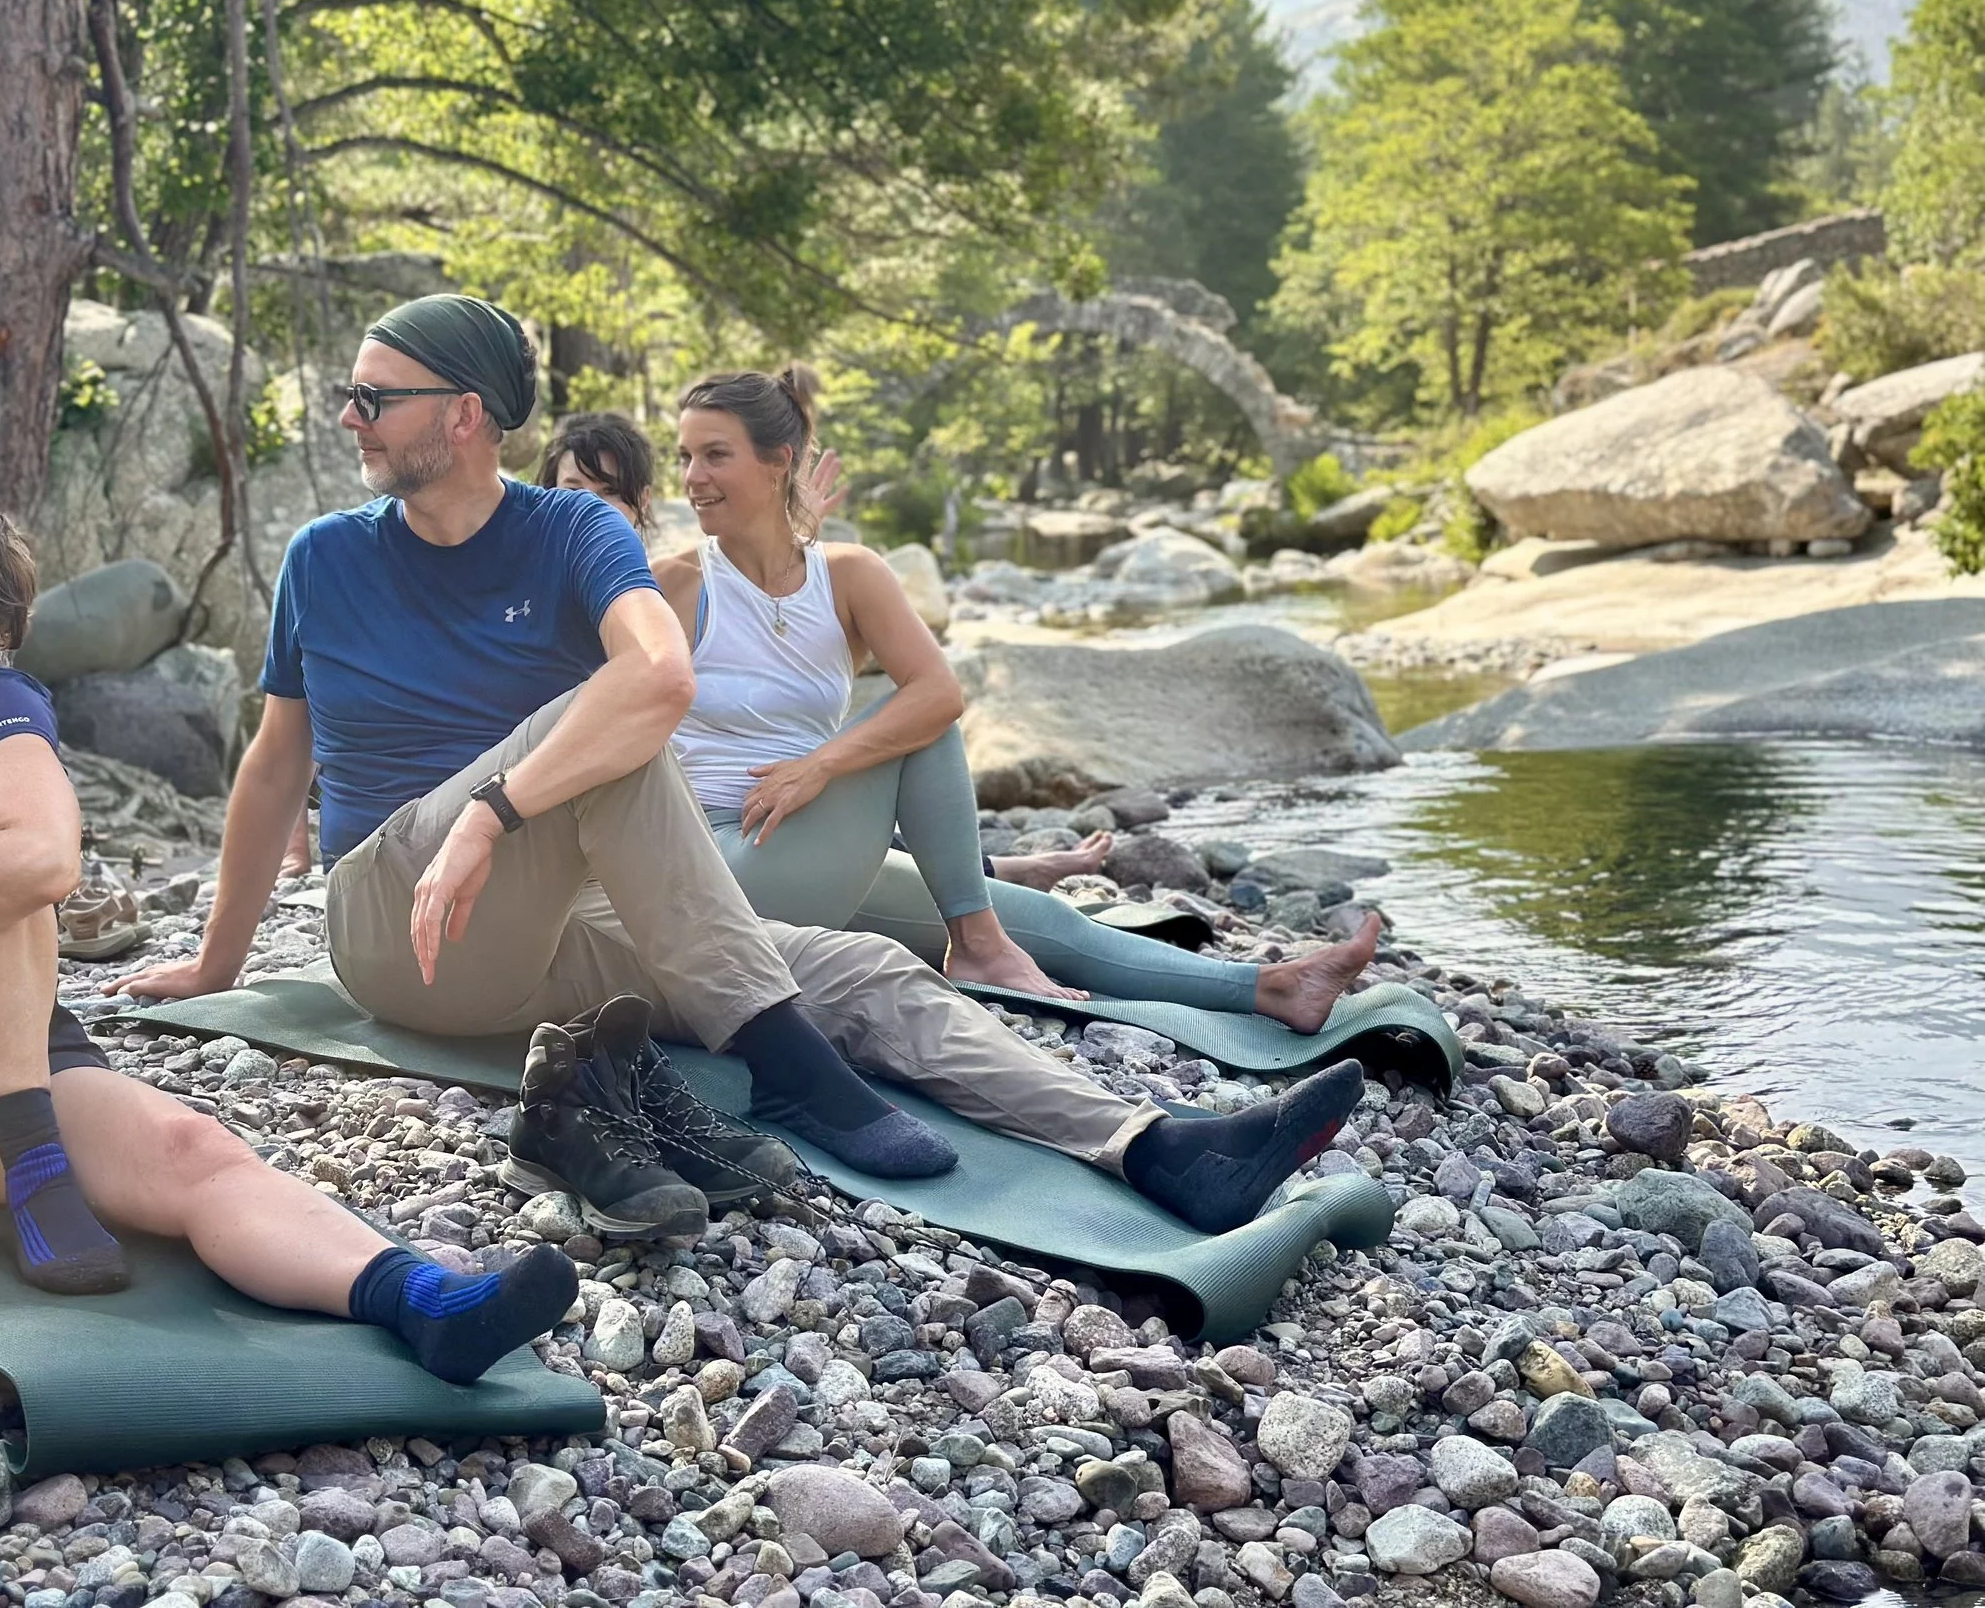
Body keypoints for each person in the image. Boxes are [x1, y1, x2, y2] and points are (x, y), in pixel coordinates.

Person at [118, 295, 1367, 1241]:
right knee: (601, 748)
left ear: (465, 415)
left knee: (866, 965)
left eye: (372, 395)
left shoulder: (568, 536)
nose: (347, 414)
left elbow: (662, 675)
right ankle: (791, 1071)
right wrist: (220, 961)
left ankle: (1153, 1149)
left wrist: (499, 812)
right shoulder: (328, 559)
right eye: (350, 392)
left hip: (549, 928)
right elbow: (276, 764)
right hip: (399, 926)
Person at [0, 455, 574, 1384]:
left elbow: (49, 859)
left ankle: (418, 1298)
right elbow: (20, 857)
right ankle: (35, 1162)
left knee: (192, 1147)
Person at [652, 366, 1381, 1026]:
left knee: (1039, 921)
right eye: (685, 456)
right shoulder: (675, 584)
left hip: (811, 843)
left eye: (715, 454)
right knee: (922, 727)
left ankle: (1269, 986)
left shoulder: (847, 576)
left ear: (779, 461)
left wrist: (818, 766)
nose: (692, 476)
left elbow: (940, 689)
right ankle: (975, 946)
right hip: (719, 866)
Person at [531, 417, 1108, 893]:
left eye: (609, 493)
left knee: (1045, 924)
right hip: (690, 851)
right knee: (919, 728)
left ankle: (994, 885)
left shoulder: (655, 584)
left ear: (641, 505)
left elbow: (792, 682)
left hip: (790, 828)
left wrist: (778, 541)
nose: (594, 509)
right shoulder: (602, 596)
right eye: (573, 493)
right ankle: (991, 894)